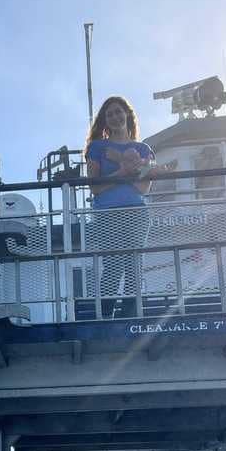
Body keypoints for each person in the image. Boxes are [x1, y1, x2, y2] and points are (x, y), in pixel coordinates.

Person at [84, 96, 157, 318]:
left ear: (127, 114)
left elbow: (144, 188)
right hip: (108, 213)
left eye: (118, 112)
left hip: (136, 212)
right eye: (110, 114)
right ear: (105, 121)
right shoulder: (97, 148)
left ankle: (130, 315)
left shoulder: (144, 149)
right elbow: (95, 188)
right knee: (114, 264)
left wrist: (131, 167)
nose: (115, 117)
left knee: (134, 264)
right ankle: (105, 315)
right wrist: (123, 172)